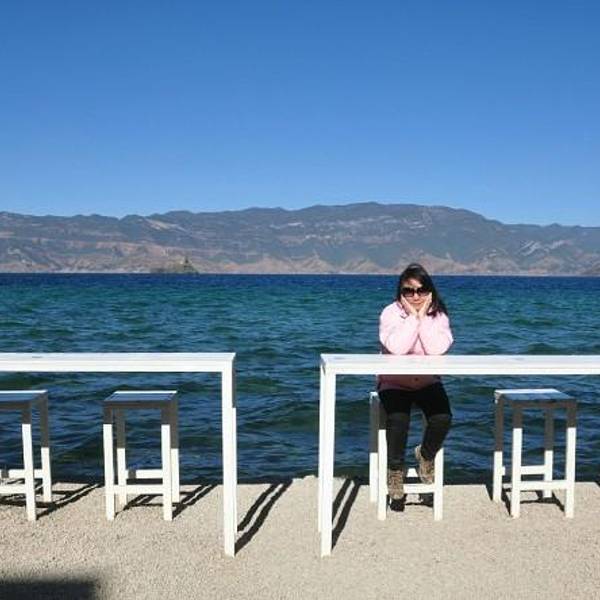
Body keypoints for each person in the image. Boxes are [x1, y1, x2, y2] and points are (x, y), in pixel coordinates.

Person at [378, 263, 453, 501]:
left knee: (442, 417)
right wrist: (413, 317)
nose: (416, 296)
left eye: (421, 290)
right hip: (394, 383)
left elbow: (436, 349)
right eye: (409, 291)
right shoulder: (390, 313)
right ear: (400, 292)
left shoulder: (438, 315)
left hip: (427, 382)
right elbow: (397, 348)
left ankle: (426, 455)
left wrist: (423, 318)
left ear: (429, 291)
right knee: (398, 420)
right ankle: (395, 471)